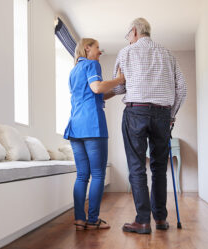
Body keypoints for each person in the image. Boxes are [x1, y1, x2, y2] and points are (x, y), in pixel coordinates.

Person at [111, 18, 187, 234]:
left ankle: (143, 221)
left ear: (134, 31)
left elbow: (118, 87)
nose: (128, 40)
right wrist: (170, 116)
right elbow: (181, 89)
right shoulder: (168, 54)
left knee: (136, 167)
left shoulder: (126, 53)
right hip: (162, 114)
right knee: (159, 168)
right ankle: (161, 219)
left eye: (128, 35)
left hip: (136, 112)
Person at [64, 38, 125, 231]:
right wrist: (119, 80)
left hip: (75, 126)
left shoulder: (74, 71)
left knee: (82, 175)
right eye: (98, 48)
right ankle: (92, 220)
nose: (100, 52)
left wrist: (115, 90)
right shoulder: (92, 64)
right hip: (92, 125)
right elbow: (97, 88)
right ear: (87, 48)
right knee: (98, 174)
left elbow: (95, 93)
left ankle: (80, 219)